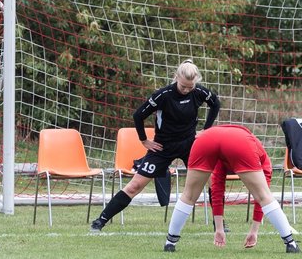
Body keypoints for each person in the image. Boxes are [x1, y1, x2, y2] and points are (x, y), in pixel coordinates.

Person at [89, 60, 220, 232]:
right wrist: (144, 140)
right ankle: (100, 221)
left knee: (212, 181)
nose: (187, 90)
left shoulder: (199, 91)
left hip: (190, 145)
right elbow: (138, 115)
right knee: (135, 186)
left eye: (190, 87)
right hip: (162, 147)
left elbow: (215, 103)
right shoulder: (163, 95)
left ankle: (219, 224)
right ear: (176, 78)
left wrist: (206, 130)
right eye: (183, 86)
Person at [163, 124, 300, 253]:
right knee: (264, 196)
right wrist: (254, 231)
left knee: (189, 195)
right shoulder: (263, 160)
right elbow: (262, 199)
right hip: (239, 141)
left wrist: (219, 228)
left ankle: (170, 242)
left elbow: (216, 189)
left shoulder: (224, 155)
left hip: (206, 138)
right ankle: (290, 243)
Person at [208, 146, 273, 248]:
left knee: (263, 195)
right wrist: (219, 228)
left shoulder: (257, 156)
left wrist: (254, 231)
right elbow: (217, 192)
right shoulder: (221, 157)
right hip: (230, 154)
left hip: (250, 156)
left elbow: (262, 197)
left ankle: (289, 240)